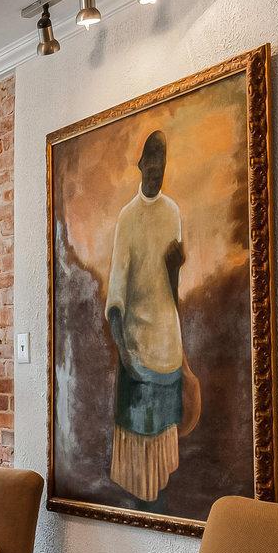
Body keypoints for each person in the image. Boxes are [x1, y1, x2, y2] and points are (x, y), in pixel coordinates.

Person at [105, 130, 188, 501]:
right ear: (141, 165)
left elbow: (172, 282)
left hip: (168, 338)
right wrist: (123, 350)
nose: (156, 172)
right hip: (136, 341)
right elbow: (117, 290)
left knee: (164, 429)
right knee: (137, 427)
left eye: (162, 165)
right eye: (151, 163)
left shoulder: (173, 212)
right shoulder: (128, 217)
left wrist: (177, 267)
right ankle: (138, 500)